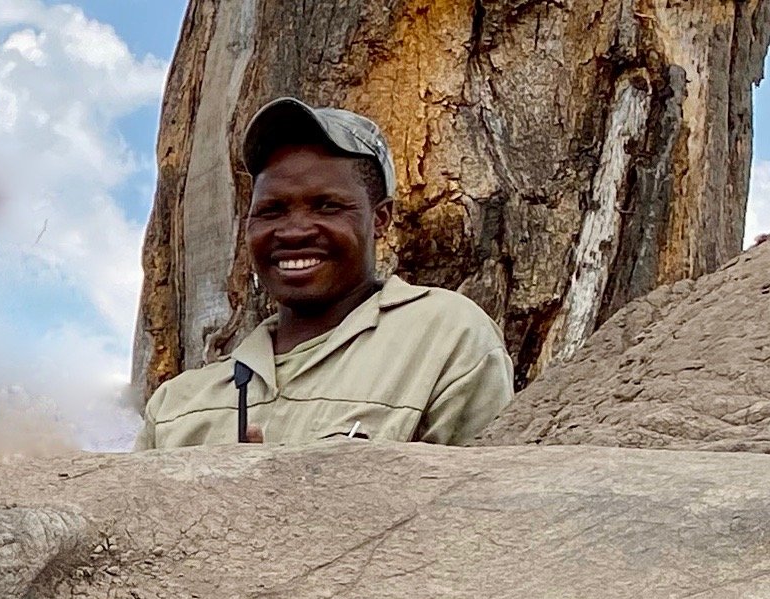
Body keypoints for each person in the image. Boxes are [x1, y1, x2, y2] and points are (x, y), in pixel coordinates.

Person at [137, 98, 514, 450]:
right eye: (272, 211)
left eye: (327, 206)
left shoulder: (445, 338)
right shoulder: (176, 408)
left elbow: (488, 508)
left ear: (380, 218)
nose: (294, 231)